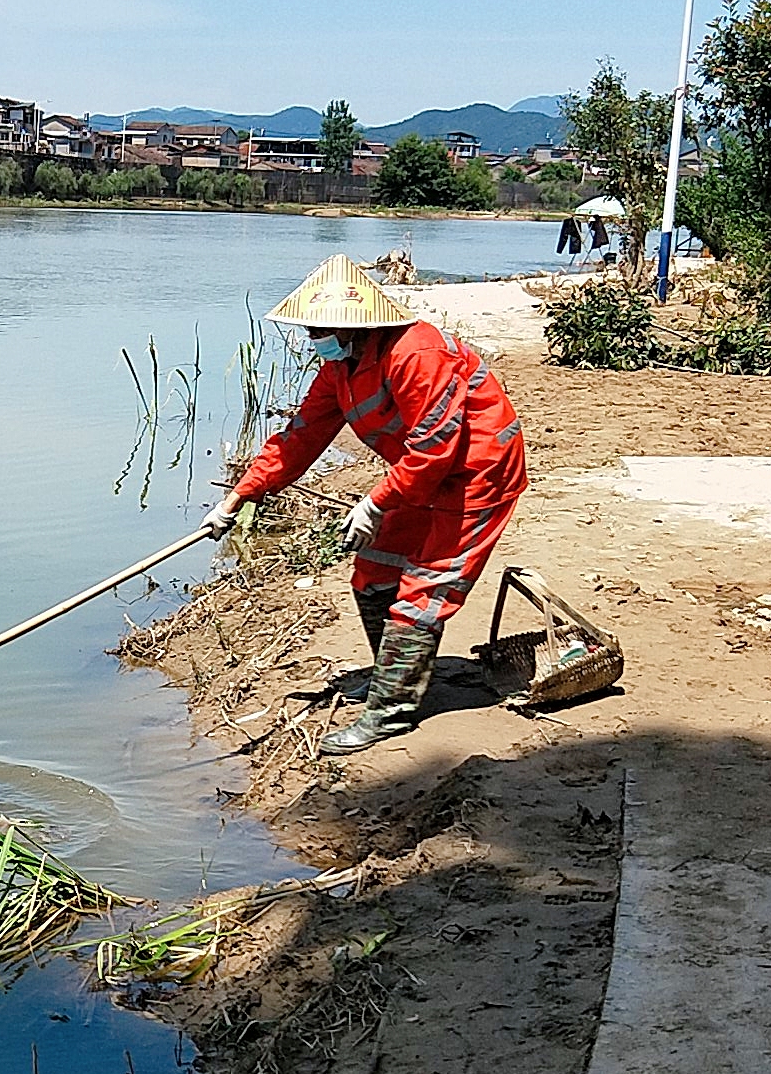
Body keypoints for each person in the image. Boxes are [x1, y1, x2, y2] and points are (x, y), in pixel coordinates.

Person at [203, 256, 528, 755]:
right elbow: (300, 437)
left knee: (425, 591)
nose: (313, 334)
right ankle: (390, 676)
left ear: (355, 324)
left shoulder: (416, 353)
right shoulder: (341, 369)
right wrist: (240, 496)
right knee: (373, 573)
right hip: (418, 477)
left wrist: (376, 502)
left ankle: (391, 713)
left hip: (475, 475)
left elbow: (436, 445)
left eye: (321, 325)